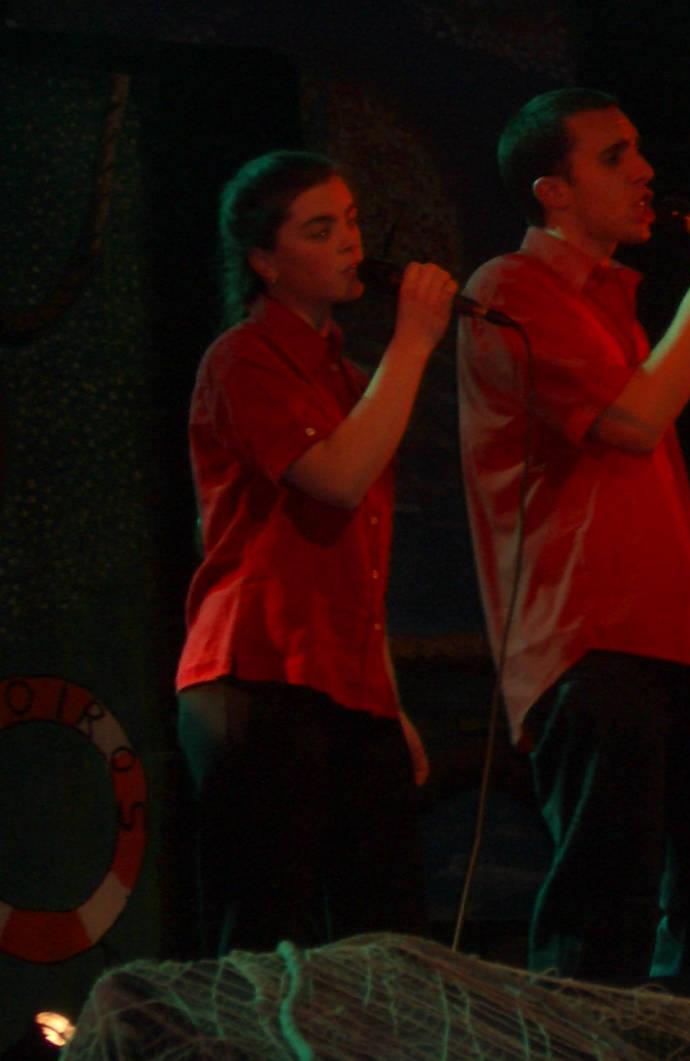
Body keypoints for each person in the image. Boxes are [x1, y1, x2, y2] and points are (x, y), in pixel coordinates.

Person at [456, 88, 690, 982]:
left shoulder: (616, 303)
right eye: (615, 156)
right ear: (553, 191)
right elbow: (630, 424)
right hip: (591, 638)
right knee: (605, 914)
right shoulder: (508, 288)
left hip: (676, 634)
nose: (646, 172)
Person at [176, 150, 457, 956]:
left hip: (346, 683)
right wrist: (414, 343)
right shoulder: (242, 357)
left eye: (353, 222)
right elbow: (334, 478)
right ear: (265, 260)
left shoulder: (352, 378)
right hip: (258, 674)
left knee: (386, 935)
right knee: (266, 933)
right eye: (320, 229)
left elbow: (360, 564)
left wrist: (388, 697)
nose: (349, 242)